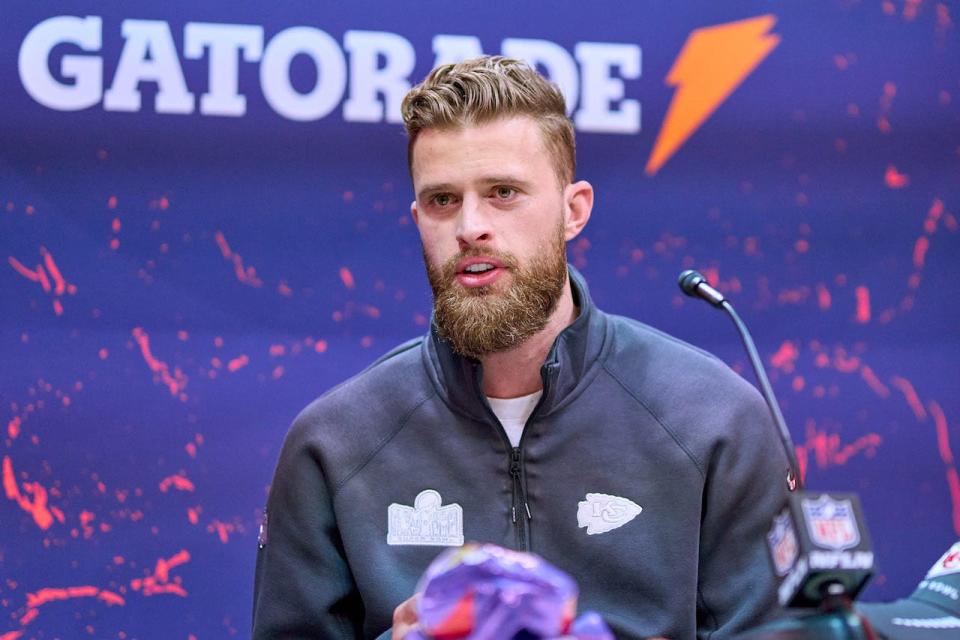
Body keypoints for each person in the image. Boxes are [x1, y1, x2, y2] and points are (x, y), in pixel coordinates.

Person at [252, 55, 790, 639]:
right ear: (417, 218)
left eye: (503, 192)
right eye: (442, 201)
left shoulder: (713, 419)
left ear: (573, 210)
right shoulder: (334, 444)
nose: (470, 227)